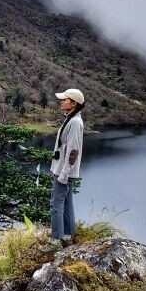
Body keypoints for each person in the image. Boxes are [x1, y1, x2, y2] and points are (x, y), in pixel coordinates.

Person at [49, 88, 85, 246]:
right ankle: (68, 236)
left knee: (55, 204)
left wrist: (63, 174)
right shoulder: (72, 119)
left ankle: (56, 240)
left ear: (74, 103)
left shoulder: (75, 123)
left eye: (65, 99)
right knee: (66, 203)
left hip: (64, 171)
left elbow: (73, 152)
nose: (61, 101)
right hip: (64, 170)